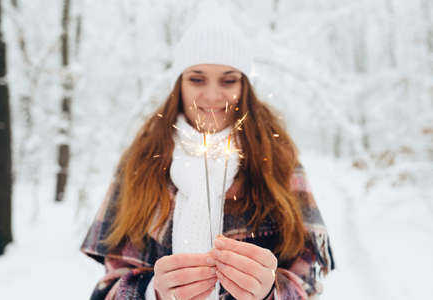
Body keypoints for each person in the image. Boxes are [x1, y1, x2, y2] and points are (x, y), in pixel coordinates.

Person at [80, 3, 335, 300]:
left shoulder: (277, 158)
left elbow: (310, 278)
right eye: (197, 79)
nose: (213, 96)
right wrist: (152, 292)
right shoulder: (142, 160)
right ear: (179, 84)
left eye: (228, 80)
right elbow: (108, 288)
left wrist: (270, 292)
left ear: (245, 87)